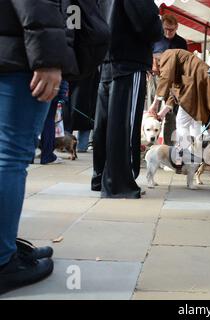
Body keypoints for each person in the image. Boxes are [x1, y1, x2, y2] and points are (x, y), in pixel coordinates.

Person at [0, 0, 78, 294]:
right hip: (18, 55)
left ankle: (5, 245)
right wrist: (47, 57)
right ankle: (3, 262)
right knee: (9, 158)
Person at [92, 0, 163, 199]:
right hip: (129, 58)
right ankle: (119, 182)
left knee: (105, 123)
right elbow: (147, 23)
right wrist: (157, 25)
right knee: (124, 125)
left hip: (107, 56)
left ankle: (101, 177)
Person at [149, 49, 210, 150]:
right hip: (199, 83)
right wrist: (162, 114)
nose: (153, 73)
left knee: (182, 122)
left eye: (151, 70)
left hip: (198, 82)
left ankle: (185, 153)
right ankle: (196, 155)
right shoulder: (172, 64)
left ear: (153, 60)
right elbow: (173, 91)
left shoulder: (167, 55)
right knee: (196, 122)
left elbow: (166, 79)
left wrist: (155, 104)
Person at [148, 14, 188, 146]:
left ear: (177, 27)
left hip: (173, 83)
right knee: (152, 111)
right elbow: (148, 57)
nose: (168, 32)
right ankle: (149, 143)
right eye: (166, 29)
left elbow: (184, 63)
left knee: (169, 115)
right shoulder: (155, 40)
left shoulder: (181, 42)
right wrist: (153, 63)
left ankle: (167, 146)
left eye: (171, 29)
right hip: (156, 79)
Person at [40, 81, 70, 164]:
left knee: (31, 121)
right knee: (48, 121)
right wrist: (62, 95)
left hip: (31, 85)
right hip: (51, 88)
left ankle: (30, 157)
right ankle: (47, 156)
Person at [69, 71, 100, 153]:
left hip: (73, 99)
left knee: (69, 122)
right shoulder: (94, 67)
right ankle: (82, 147)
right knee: (85, 123)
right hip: (88, 101)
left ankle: (66, 145)